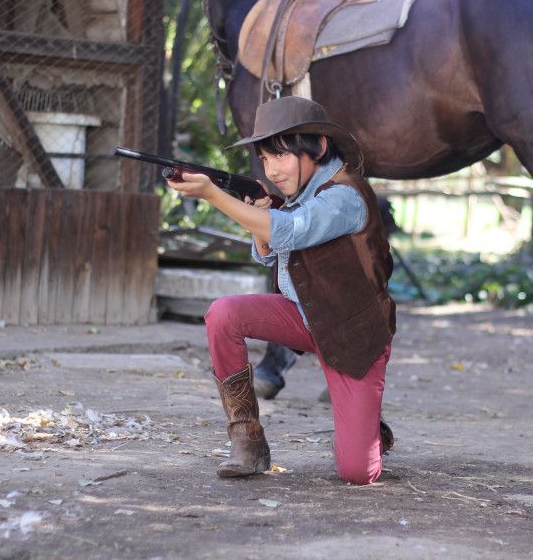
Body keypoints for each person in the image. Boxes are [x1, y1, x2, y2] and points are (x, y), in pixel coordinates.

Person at [165, 96, 395, 485]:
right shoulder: (298, 196)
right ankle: (247, 439)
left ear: (318, 148)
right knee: (224, 313)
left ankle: (366, 426)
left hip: (352, 335)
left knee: (358, 473)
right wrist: (263, 210)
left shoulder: (344, 194)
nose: (272, 170)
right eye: (266, 159)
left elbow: (287, 231)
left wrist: (213, 195)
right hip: (304, 317)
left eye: (282, 157)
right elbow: (272, 254)